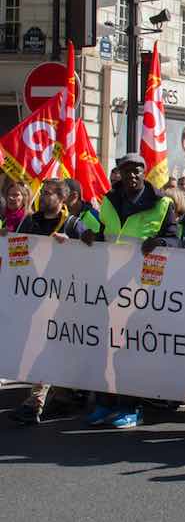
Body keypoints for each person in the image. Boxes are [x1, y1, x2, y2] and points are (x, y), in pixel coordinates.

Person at [87, 153, 179, 429]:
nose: (133, 175)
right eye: (127, 170)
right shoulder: (108, 201)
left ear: (144, 172)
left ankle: (131, 407)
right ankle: (105, 404)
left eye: (137, 170)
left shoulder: (162, 203)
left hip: (141, 289)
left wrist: (161, 242)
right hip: (108, 284)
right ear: (120, 173)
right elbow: (101, 232)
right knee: (103, 346)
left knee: (130, 348)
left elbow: (176, 240)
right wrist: (89, 236)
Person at [7, 179, 92, 425]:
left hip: (64, 298)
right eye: (43, 192)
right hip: (33, 295)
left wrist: (72, 244)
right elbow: (17, 251)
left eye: (49, 193)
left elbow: (93, 250)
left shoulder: (73, 224)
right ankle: (61, 397)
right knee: (41, 346)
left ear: (62, 199)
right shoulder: (29, 222)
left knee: (50, 347)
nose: (43, 196)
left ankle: (36, 403)